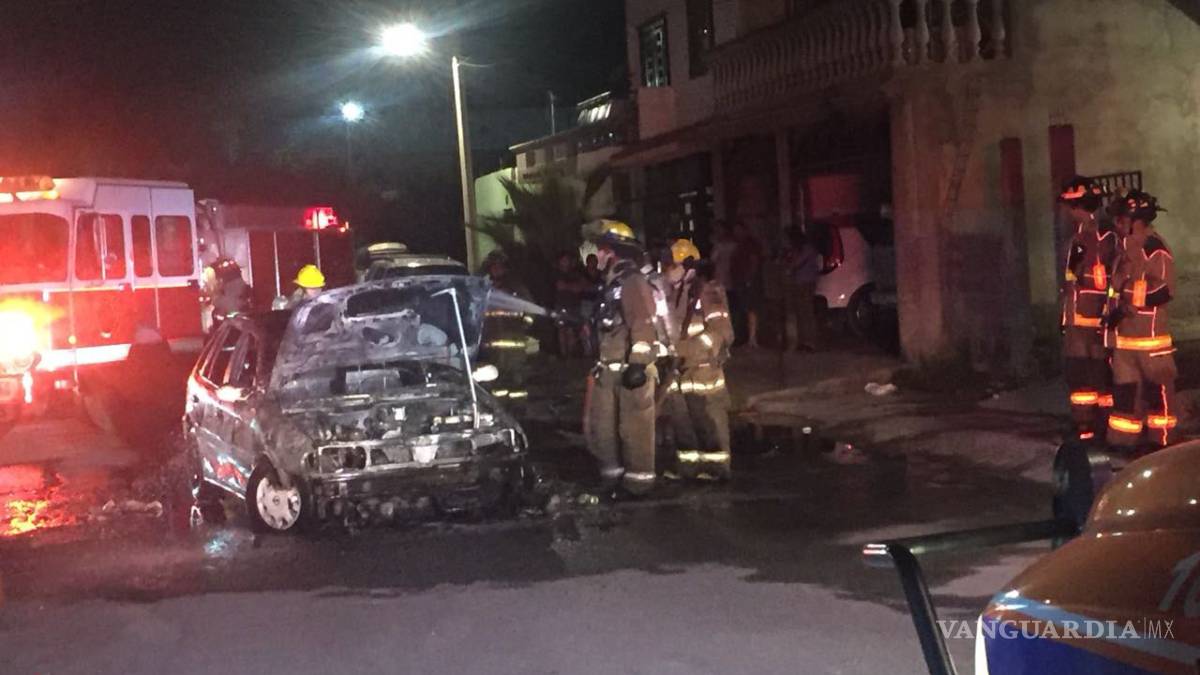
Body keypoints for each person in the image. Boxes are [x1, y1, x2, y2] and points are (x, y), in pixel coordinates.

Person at [585, 220, 661, 497]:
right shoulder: (609, 284)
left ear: (614, 251)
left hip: (630, 371)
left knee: (634, 430)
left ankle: (638, 485)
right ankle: (612, 479)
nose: (598, 254)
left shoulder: (632, 281)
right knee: (604, 429)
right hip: (608, 370)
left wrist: (638, 364)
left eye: (603, 248)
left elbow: (642, 322)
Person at [1105, 190, 1177, 452]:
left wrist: (1127, 293)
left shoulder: (1155, 250)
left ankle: (1163, 444)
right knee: (1125, 394)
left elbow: (1164, 291)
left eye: (1121, 219)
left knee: (1158, 394)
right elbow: (1113, 290)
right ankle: (1123, 443)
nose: (1117, 224)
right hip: (1125, 340)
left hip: (1151, 340)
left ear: (1135, 220)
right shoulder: (1122, 250)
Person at [662, 238, 734, 481]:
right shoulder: (671, 295)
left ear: (687, 266)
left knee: (709, 421)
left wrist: (686, 350)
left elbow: (722, 334)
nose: (668, 270)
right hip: (678, 372)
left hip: (702, 372)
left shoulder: (707, 292)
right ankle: (689, 468)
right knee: (682, 421)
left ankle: (717, 469)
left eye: (672, 264)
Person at [1058, 176, 1118, 442]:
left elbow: (1083, 280)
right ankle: (1100, 424)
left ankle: (1086, 425)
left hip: (1085, 319)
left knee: (1083, 375)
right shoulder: (1105, 236)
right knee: (1098, 373)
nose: (1065, 212)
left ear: (1077, 207)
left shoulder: (1088, 238)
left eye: (1068, 207)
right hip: (1094, 318)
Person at [480, 251, 534, 412]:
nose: (496, 270)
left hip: (514, 343)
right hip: (492, 345)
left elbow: (529, 310)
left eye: (499, 266)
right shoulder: (484, 288)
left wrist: (524, 325)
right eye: (494, 267)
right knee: (496, 378)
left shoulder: (517, 289)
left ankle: (519, 409)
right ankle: (500, 409)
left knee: (517, 379)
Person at [783, 227, 822, 352]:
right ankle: (803, 341)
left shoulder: (807, 249)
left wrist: (789, 265)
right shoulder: (798, 249)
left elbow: (796, 263)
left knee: (806, 312)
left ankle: (810, 342)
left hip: (805, 283)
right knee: (801, 312)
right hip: (799, 282)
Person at [730, 221, 764, 348]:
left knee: (751, 309)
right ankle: (748, 337)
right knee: (744, 309)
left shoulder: (750, 245)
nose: (736, 233)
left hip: (748, 281)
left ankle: (752, 338)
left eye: (738, 230)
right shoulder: (739, 245)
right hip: (740, 280)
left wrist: (749, 278)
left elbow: (754, 261)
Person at [552, 251, 588, 358]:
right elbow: (560, 286)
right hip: (561, 305)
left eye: (567, 260)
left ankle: (571, 355)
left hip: (574, 305)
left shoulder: (576, 273)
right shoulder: (556, 273)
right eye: (563, 260)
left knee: (571, 330)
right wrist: (573, 287)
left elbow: (581, 286)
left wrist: (570, 286)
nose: (565, 262)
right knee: (562, 330)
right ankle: (564, 354)